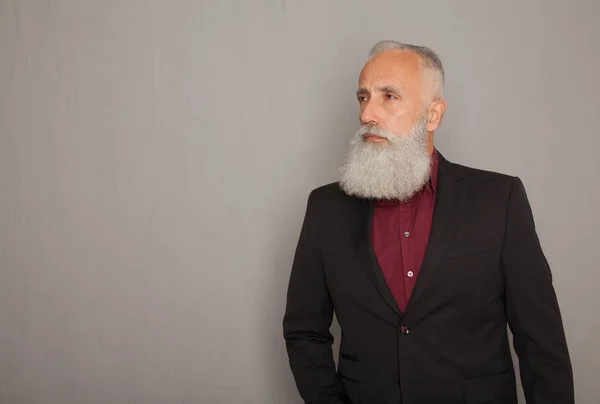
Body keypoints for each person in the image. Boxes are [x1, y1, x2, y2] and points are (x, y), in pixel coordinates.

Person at [282, 40, 574, 404]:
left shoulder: (500, 200)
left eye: (388, 96)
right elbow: (304, 330)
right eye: (363, 97)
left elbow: (540, 340)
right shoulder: (326, 207)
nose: (367, 113)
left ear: (433, 115)